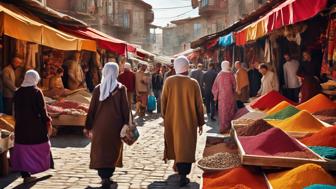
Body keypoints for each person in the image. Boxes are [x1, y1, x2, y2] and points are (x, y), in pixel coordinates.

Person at [161, 56, 204, 187]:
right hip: (189, 121)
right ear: (187, 67)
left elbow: (163, 101)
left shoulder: (169, 81)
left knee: (176, 143)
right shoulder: (193, 83)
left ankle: (179, 170)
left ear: (176, 68)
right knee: (186, 146)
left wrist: (165, 116)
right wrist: (201, 122)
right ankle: (183, 175)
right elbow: (199, 105)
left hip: (172, 120)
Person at [84, 63, 129, 189]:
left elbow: (91, 110)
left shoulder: (98, 88)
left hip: (99, 127)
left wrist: (87, 126)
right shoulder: (120, 89)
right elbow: (125, 109)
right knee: (112, 151)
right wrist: (126, 123)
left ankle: (104, 178)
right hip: (116, 127)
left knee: (101, 151)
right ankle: (107, 177)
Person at [11, 70, 53, 183]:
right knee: (41, 147)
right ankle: (38, 168)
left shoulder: (17, 92)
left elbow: (14, 110)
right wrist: (47, 120)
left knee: (23, 149)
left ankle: (25, 175)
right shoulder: (36, 92)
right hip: (35, 127)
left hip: (21, 126)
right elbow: (42, 110)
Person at [212, 61, 237, 133]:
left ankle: (223, 127)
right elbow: (235, 85)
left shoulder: (219, 75)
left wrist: (215, 97)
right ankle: (230, 128)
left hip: (222, 98)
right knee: (230, 111)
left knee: (223, 112)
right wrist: (234, 93)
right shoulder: (231, 75)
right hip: (230, 96)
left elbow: (215, 87)